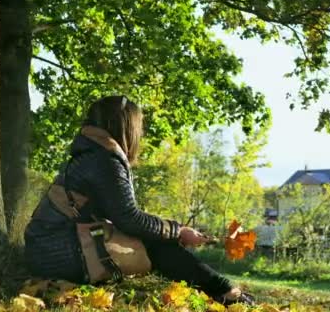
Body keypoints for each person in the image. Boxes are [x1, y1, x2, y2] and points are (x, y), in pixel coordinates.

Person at [24, 95, 253, 305]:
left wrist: (171, 230)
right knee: (159, 243)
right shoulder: (104, 160)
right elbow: (130, 219)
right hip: (59, 252)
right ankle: (226, 293)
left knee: (157, 237)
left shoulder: (91, 153)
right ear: (126, 126)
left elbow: (123, 215)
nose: (140, 134)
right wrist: (178, 231)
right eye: (138, 128)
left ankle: (222, 290)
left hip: (49, 248)